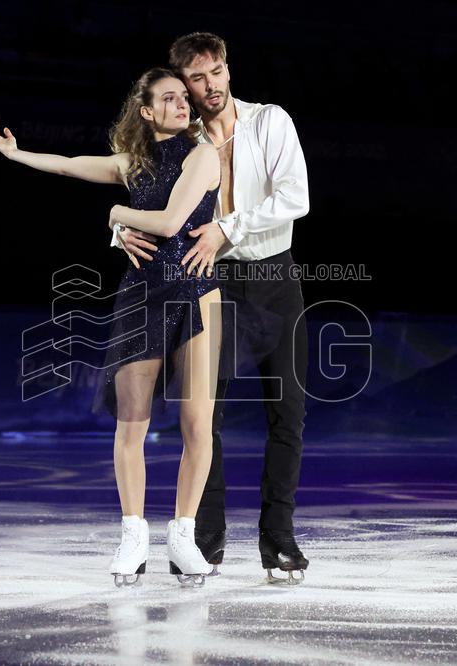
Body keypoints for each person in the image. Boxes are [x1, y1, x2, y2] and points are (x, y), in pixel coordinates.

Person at [0, 67, 226, 587]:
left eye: (184, 97)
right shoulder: (134, 162)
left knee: (196, 427)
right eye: (169, 99)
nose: (183, 105)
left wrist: (117, 213)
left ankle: (183, 536)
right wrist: (16, 154)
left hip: (196, 294)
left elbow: (167, 223)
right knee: (131, 424)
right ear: (146, 111)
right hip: (141, 296)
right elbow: (72, 166)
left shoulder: (203, 154)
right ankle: (133, 536)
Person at [112, 33, 312, 584]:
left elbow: (296, 197)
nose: (211, 86)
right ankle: (204, 541)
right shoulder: (178, 138)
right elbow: (138, 191)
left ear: (228, 70)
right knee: (205, 419)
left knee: (287, 414)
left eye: (218, 71)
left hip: (272, 274)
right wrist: (119, 230)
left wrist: (225, 227)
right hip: (207, 278)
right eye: (197, 79)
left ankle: (279, 541)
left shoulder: (271, 122)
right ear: (185, 86)